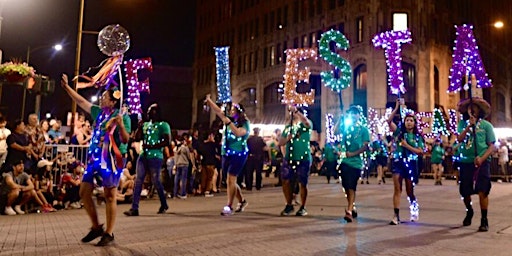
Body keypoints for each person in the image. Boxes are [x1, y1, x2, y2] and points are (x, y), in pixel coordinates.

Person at [61, 74, 130, 246]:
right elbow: (81, 101)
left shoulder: (121, 116)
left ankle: (109, 232)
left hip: (112, 159)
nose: (101, 98)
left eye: (105, 97)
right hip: (95, 158)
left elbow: (126, 139)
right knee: (84, 191)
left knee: (110, 195)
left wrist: (120, 124)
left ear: (113, 101)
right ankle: (96, 227)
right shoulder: (98, 113)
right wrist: (67, 88)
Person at [204, 95, 249, 216]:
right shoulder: (228, 120)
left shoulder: (245, 123)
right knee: (230, 181)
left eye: (233, 110)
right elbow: (219, 112)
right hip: (226, 153)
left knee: (231, 179)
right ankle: (242, 201)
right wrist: (210, 102)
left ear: (239, 112)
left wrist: (229, 123)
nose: (231, 111)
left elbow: (239, 133)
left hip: (239, 154)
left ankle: (229, 206)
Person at [456, 97, 496, 232]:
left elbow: (491, 146)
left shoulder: (486, 126)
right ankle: (469, 210)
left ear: (479, 110)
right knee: (465, 191)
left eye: (475, 107)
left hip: (482, 162)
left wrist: (482, 158)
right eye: (470, 107)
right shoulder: (462, 124)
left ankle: (484, 219)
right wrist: (468, 126)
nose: (472, 110)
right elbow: (459, 139)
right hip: (466, 161)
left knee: (482, 190)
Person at [124, 103, 171, 216]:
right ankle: (134, 208)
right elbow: (137, 137)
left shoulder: (163, 125)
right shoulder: (145, 125)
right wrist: (140, 127)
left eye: (152, 110)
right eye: (149, 110)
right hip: (143, 156)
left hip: (155, 157)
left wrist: (152, 146)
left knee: (156, 181)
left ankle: (164, 203)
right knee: (138, 180)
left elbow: (166, 141)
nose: (149, 112)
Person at [387, 99, 425, 225]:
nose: (409, 122)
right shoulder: (399, 132)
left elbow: (420, 151)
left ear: (414, 123)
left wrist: (407, 146)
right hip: (398, 162)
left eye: (411, 120)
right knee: (397, 189)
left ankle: (414, 209)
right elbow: (389, 121)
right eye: (407, 120)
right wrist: (397, 107)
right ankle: (396, 215)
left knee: (410, 190)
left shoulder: (418, 137)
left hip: (411, 164)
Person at [338, 106, 370, 222]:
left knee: (351, 186)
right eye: (351, 113)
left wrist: (353, 154)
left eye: (355, 113)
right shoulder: (347, 129)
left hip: (356, 163)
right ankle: (352, 205)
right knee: (345, 186)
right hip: (345, 161)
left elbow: (365, 146)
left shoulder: (363, 130)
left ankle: (349, 210)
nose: (353, 115)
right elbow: (338, 135)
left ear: (359, 115)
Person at [279, 105, 312, 216]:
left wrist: (297, 111)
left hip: (303, 158)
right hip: (289, 158)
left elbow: (306, 122)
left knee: (302, 183)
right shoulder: (288, 128)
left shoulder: (305, 126)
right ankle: (289, 204)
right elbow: (281, 142)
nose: (292, 116)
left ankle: (303, 206)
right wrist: (287, 138)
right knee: (286, 181)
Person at [198, 132, 219, 197]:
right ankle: (207, 191)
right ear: (209, 136)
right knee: (210, 178)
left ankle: (202, 190)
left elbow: (200, 152)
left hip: (204, 162)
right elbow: (216, 152)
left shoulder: (203, 145)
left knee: (203, 177)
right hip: (211, 163)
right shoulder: (213, 145)